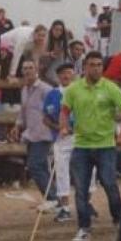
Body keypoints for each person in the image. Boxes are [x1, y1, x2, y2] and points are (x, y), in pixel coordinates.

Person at [60, 51, 121, 241]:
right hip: (82, 146)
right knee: (81, 189)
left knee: (110, 184)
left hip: (105, 146)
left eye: (99, 65)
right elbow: (65, 110)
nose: (96, 68)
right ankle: (84, 227)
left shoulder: (110, 87)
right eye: (92, 65)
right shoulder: (74, 89)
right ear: (85, 67)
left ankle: (119, 221)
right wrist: (64, 126)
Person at [11, 59, 56, 207]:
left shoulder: (46, 89)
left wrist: (53, 125)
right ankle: (52, 198)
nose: (28, 71)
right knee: (40, 166)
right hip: (31, 133)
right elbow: (23, 111)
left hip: (44, 133)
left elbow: (54, 109)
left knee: (35, 165)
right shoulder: (24, 90)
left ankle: (52, 198)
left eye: (30, 68)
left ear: (36, 70)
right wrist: (18, 125)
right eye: (25, 68)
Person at [43, 63, 79, 223]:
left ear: (73, 74)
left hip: (80, 136)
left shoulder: (80, 92)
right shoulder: (53, 94)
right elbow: (46, 118)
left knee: (85, 171)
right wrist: (59, 127)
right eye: (63, 73)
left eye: (69, 72)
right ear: (58, 76)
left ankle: (87, 203)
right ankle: (65, 207)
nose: (66, 76)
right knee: (62, 172)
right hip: (61, 138)